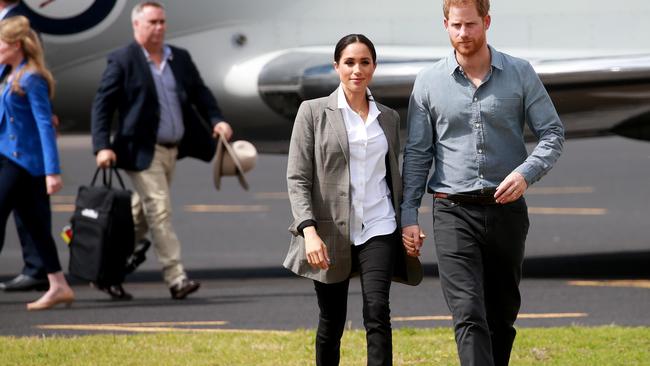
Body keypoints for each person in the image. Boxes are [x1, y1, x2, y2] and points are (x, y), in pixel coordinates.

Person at [400, 1, 565, 365]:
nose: (463, 34)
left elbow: (552, 133)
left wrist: (525, 173)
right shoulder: (428, 82)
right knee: (468, 314)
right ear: (445, 24)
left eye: (471, 25)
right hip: (452, 211)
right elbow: (416, 154)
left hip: (507, 211)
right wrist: (408, 214)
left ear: (487, 22)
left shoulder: (520, 73)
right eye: (455, 25)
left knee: (501, 318)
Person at [283, 34, 422, 366]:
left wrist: (407, 223)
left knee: (377, 312)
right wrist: (309, 231)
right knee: (331, 322)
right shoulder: (312, 112)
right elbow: (297, 177)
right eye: (349, 62)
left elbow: (393, 177)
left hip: (379, 225)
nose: (357, 70)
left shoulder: (388, 117)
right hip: (329, 231)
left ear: (374, 66)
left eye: (365, 62)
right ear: (336, 67)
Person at [91, 1, 233, 300]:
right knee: (159, 209)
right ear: (137, 25)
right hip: (142, 152)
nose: (159, 27)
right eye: (152, 22)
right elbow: (102, 105)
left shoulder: (178, 58)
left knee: (139, 216)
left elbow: (200, 93)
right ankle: (176, 277)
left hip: (172, 151)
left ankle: (104, 269)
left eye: (162, 22)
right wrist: (102, 146)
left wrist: (217, 120)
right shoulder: (122, 60)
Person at [0, 15, 75, 310]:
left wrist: (52, 171)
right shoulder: (6, 72)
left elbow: (45, 125)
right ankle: (58, 285)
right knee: (36, 226)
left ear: (16, 45)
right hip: (8, 158)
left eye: (1, 43)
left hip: (21, 163)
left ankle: (57, 285)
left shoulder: (32, 78)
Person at [0, 0, 48, 293]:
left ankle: (41, 269)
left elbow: (35, 72)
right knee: (29, 209)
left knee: (25, 206)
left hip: (16, 141)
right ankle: (44, 270)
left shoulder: (22, 21)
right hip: (8, 137)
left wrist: (52, 170)